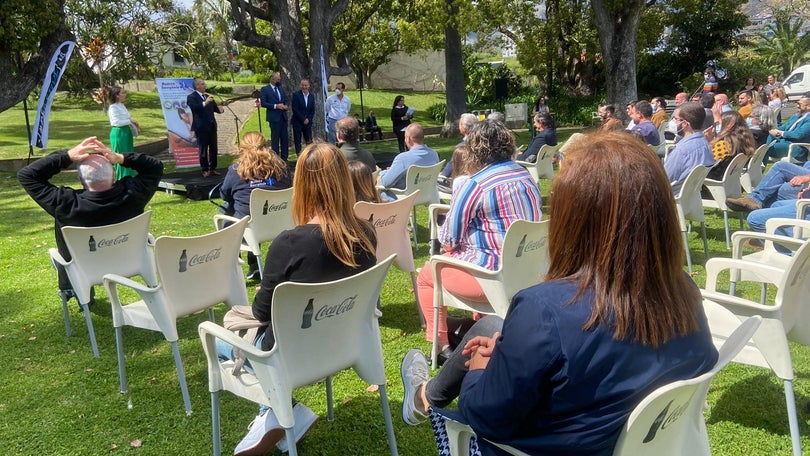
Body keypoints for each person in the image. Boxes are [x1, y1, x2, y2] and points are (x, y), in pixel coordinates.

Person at [399, 131, 718, 455]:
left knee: (485, 340)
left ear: (573, 219)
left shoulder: (545, 311)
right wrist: (512, 355)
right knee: (493, 327)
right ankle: (425, 395)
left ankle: (423, 397)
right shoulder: (684, 293)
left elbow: (484, 417)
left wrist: (482, 367)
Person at [221, 142, 377, 456]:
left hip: (291, 355)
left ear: (301, 185)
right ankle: (281, 409)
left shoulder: (289, 243)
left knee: (220, 342)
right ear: (344, 181)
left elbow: (261, 312)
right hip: (345, 344)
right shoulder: (367, 233)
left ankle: (282, 409)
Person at [416, 119, 542, 363]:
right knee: (472, 252)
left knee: (428, 275)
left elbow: (450, 239)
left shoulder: (474, 185)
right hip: (528, 272)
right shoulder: (526, 177)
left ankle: (440, 346)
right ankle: (480, 324)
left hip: (492, 279)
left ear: (474, 150)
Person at [18, 137, 163, 299]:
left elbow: (27, 175)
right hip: (130, 262)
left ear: (80, 180)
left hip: (85, 269)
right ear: (114, 175)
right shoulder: (133, 194)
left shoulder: (66, 204)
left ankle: (70, 287)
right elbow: (155, 166)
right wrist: (120, 158)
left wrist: (66, 156)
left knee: (61, 220)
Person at [219, 132, 292, 280]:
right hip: (280, 222)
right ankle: (253, 265)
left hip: (248, 227)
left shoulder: (236, 171)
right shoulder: (281, 168)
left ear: (242, 149)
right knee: (255, 213)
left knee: (226, 208)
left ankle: (232, 263)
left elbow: (224, 194)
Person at [664, 102, 714, 195]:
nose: (673, 122)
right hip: (691, 194)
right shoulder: (705, 144)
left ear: (685, 124)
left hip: (671, 195)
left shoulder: (682, 150)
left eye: (676, 119)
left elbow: (664, 178)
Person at [377, 123, 439, 199]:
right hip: (426, 195)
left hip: (406, 197)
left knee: (380, 189)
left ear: (408, 139)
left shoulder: (403, 158)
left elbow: (386, 182)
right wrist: (393, 170)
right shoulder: (434, 155)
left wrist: (383, 172)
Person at [187, 78, 224, 177]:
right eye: (203, 84)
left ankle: (212, 169)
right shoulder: (191, 97)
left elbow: (215, 109)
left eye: (204, 84)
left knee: (214, 149)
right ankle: (205, 169)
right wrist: (205, 103)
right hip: (201, 127)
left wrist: (220, 109)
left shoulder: (208, 96)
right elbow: (195, 108)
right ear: (197, 86)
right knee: (203, 149)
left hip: (212, 126)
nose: (205, 85)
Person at [706, 111, 755, 182]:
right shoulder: (744, 141)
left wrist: (707, 143)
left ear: (726, 126)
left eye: (719, 124)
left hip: (714, 179)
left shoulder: (724, 145)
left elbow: (707, 162)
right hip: (731, 179)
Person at [106, 86, 140, 180]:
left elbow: (126, 119)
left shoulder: (121, 105)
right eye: (122, 93)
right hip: (119, 133)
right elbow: (116, 122)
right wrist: (130, 122)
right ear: (117, 95)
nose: (125, 94)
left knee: (129, 155)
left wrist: (132, 121)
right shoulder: (113, 107)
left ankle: (130, 177)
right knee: (120, 156)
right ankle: (122, 178)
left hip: (126, 132)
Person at [764, 94, 810, 163]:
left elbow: (798, 135)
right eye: (797, 103)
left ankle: (761, 164)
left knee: (764, 150)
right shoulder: (796, 116)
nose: (797, 106)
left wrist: (780, 133)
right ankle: (761, 161)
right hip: (784, 142)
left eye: (800, 104)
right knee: (765, 140)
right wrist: (773, 130)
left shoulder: (808, 119)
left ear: (808, 106)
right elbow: (784, 127)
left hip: (795, 148)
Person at [260, 72, 290, 161]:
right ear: (272, 80)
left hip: (283, 117)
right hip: (274, 118)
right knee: (275, 139)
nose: (279, 81)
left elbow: (285, 100)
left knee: (284, 138)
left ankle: (285, 158)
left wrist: (286, 106)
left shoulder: (281, 89)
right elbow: (264, 103)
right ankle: (275, 159)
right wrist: (275, 106)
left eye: (279, 79)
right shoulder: (265, 89)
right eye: (278, 79)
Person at [439, 113, 478, 179]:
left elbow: (449, 169)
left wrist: (442, 174)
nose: (458, 126)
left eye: (459, 124)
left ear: (464, 128)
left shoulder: (462, 147)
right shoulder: (483, 142)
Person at [290, 79, 315, 156]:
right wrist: (303, 119)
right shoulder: (296, 95)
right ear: (301, 86)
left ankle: (309, 156)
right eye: (303, 85)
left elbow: (312, 110)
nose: (304, 87)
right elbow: (295, 109)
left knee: (309, 140)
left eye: (306, 85)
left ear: (309, 86)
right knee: (298, 141)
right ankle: (299, 156)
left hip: (308, 123)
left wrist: (308, 119)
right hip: (298, 122)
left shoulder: (311, 96)